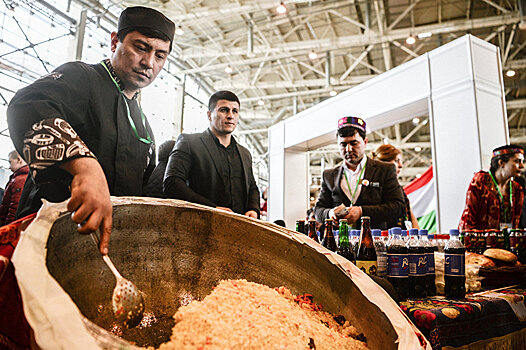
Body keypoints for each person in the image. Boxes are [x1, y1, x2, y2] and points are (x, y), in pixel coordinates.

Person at [7, 6, 175, 254]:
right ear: (115, 41)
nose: (149, 62)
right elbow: (27, 105)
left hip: (103, 248)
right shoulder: (82, 77)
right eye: (141, 47)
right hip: (49, 238)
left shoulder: (145, 128)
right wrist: (84, 166)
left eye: (160, 56)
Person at [164, 90, 260, 218]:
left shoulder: (244, 153)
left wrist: (253, 209)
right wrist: (211, 209)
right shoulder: (189, 142)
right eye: (224, 110)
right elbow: (172, 184)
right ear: (209, 115)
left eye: (235, 111)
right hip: (201, 224)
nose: (230, 116)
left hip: (239, 228)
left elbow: (252, 186)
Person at [314, 116, 405, 229]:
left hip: (373, 240)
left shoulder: (384, 169)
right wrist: (330, 213)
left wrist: (362, 212)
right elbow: (318, 210)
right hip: (339, 241)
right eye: (343, 144)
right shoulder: (329, 175)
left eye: (354, 143)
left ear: (365, 142)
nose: (348, 149)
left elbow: (398, 207)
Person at [459, 145, 525, 230]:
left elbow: (515, 224)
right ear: (501, 163)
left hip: (505, 241)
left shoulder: (517, 189)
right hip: (478, 240)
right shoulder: (480, 181)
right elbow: (468, 220)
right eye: (517, 161)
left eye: (522, 161)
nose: (522, 166)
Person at [372, 144, 419, 229]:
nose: (401, 165)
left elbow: (410, 215)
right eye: (396, 160)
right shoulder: (373, 189)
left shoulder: (398, 189)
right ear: (384, 163)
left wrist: (416, 237)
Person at [0, 151, 29, 225]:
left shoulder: (19, 180)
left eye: (10, 162)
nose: (9, 167)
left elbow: (14, 208)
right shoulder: (23, 178)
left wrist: (7, 228)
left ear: (19, 160)